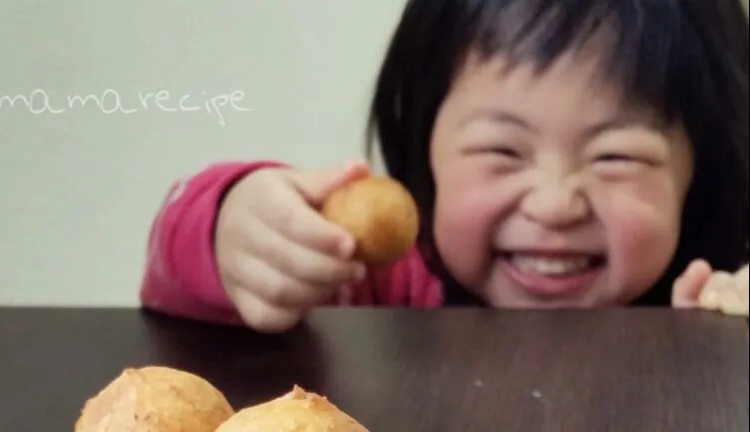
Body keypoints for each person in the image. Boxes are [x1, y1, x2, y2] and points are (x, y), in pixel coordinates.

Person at [138, 0, 749, 333]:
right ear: (424, 148)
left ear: (698, 174)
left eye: (615, 156)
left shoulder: (700, 305)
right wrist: (230, 228)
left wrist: (721, 344)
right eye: (501, 150)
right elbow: (184, 295)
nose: (555, 203)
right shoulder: (366, 279)